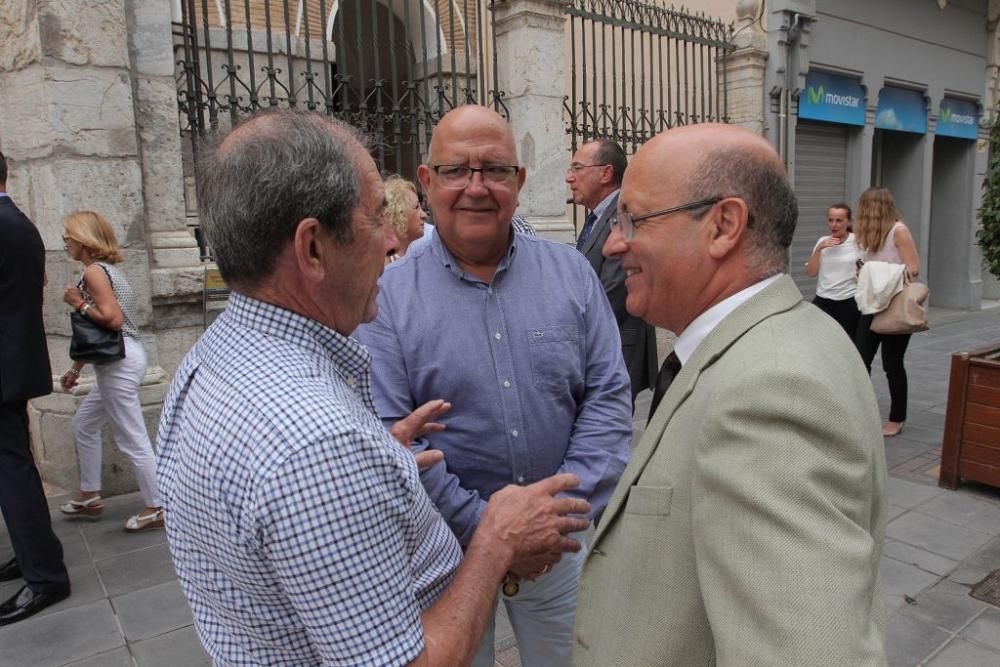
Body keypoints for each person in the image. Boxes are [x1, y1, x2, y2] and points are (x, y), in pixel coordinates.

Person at [156, 110, 591, 666]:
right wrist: (494, 540)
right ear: (313, 248)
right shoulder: (319, 445)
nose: (392, 239)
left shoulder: (212, 358)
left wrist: (377, 458)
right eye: (373, 217)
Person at [572, 124, 888, 665]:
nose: (616, 241)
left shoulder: (770, 395)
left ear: (723, 225)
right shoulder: (780, 338)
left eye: (633, 218)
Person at [355, 105, 633, 667]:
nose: (476, 188)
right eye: (456, 171)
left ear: (521, 183)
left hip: (559, 546)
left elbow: (607, 396)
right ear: (427, 182)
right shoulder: (386, 297)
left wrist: (554, 520)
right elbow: (390, 437)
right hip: (444, 559)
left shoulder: (571, 275)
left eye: (495, 171)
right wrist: (491, 532)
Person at [57, 211, 164, 532]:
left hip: (119, 362)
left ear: (84, 240)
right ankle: (89, 494)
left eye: (69, 236)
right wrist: (76, 368)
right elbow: (99, 333)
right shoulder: (108, 271)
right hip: (116, 359)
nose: (66, 243)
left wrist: (78, 303)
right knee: (84, 424)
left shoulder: (94, 273)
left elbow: (112, 321)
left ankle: (158, 505)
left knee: (132, 437)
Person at [0, 150, 71, 625]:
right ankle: (35, 551)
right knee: (14, 464)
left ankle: (44, 574)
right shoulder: (18, 222)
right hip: (12, 362)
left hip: (5, 366)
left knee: (12, 469)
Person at [566, 139, 657, 407]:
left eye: (577, 168)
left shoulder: (624, 213)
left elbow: (618, 286)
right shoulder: (597, 216)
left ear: (605, 173)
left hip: (617, 349)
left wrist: (567, 328)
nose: (569, 177)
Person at [853, 187, 920, 437]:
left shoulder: (898, 231)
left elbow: (913, 268)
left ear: (872, 208)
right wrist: (863, 272)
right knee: (860, 359)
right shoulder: (870, 235)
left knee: (892, 364)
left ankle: (897, 417)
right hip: (872, 305)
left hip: (895, 306)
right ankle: (859, 411)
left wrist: (875, 272)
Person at [804, 202, 861, 337]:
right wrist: (819, 249)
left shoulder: (858, 242)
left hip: (848, 301)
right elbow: (811, 273)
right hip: (823, 300)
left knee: (847, 344)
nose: (834, 224)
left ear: (849, 222)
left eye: (839, 220)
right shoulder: (822, 241)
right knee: (818, 340)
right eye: (831, 220)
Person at [383, 174, 427, 262]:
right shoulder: (383, 264)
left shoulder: (413, 256)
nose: (424, 215)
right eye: (416, 207)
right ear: (398, 213)